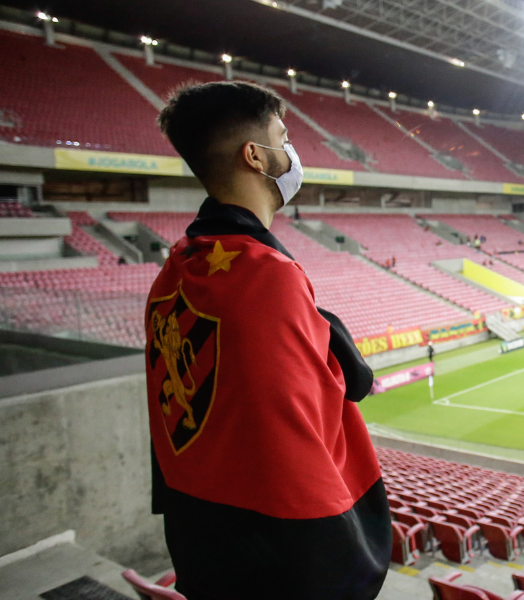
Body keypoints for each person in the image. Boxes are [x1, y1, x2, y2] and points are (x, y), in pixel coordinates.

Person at [146, 81, 389, 600]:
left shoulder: (176, 269)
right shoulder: (266, 275)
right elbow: (295, 438)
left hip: (204, 546)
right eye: (284, 137)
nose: (292, 151)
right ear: (256, 156)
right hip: (273, 564)